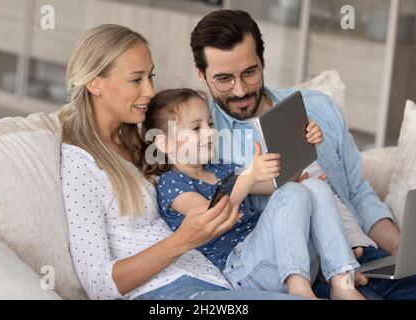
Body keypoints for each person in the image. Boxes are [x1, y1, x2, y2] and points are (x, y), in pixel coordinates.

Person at [189, 9, 416, 300]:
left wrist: (399, 246)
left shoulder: (318, 107)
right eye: (223, 79)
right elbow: (221, 217)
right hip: (310, 269)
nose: (240, 90)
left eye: (249, 72)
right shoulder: (204, 137)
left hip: (367, 256)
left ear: (263, 61)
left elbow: (359, 193)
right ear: (201, 75)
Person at [59, 23, 305, 300]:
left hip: (218, 280)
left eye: (150, 77)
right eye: (136, 79)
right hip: (172, 294)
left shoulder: (142, 143)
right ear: (95, 83)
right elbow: (99, 284)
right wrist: (182, 240)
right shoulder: (81, 165)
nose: (150, 91)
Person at [141, 87, 364, 300]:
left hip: (283, 257)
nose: (210, 131)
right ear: (164, 143)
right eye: (196, 128)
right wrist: (249, 176)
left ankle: (341, 281)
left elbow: (279, 185)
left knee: (315, 187)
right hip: (244, 269)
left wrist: (305, 144)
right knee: (294, 192)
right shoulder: (173, 182)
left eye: (209, 123)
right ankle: (299, 289)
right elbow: (209, 218)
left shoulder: (220, 167)